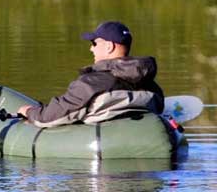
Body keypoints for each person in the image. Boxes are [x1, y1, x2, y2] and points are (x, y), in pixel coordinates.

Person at [17, 21, 164, 128]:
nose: (91, 49)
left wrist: (29, 112)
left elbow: (49, 118)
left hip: (102, 158)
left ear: (109, 46)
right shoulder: (151, 86)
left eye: (94, 43)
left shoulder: (90, 83)